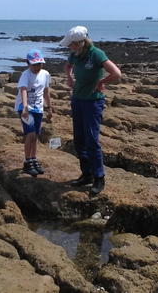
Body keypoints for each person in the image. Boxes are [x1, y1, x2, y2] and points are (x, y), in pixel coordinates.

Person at [60, 26, 121, 195]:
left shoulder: (96, 54)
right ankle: (86, 174)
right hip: (77, 100)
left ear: (79, 43)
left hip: (93, 103)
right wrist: (69, 77)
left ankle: (99, 177)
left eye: (71, 44)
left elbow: (116, 73)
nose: (69, 48)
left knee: (91, 141)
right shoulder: (75, 54)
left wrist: (102, 82)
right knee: (79, 140)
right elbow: (68, 66)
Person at [14, 49, 52, 176]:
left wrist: (49, 107)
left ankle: (34, 159)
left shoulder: (45, 74)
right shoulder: (26, 75)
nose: (37, 67)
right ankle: (27, 161)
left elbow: (46, 91)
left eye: (40, 64)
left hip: (38, 108)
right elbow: (23, 90)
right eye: (34, 64)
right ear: (28, 63)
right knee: (30, 135)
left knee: (36, 135)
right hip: (25, 108)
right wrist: (24, 107)